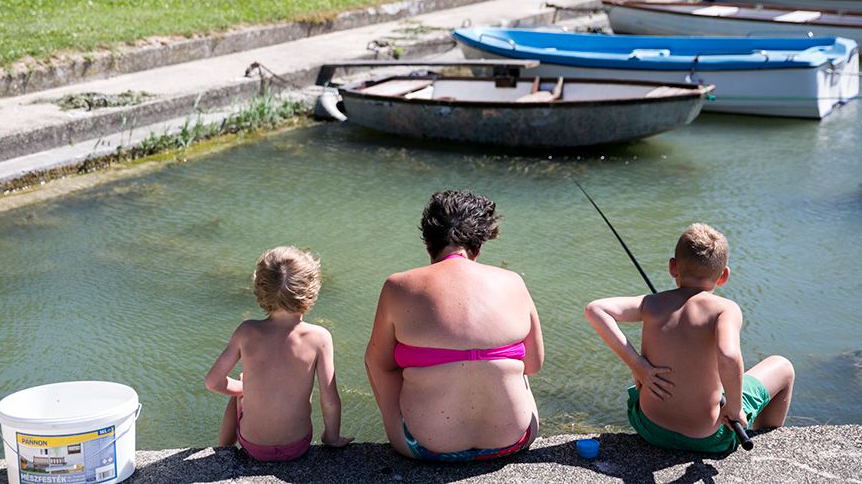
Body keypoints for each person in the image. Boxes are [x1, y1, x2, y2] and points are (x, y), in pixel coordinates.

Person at [365, 190, 544, 461]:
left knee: (380, 362)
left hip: (423, 448)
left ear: (428, 244)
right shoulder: (513, 282)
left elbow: (377, 363)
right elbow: (534, 365)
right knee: (514, 363)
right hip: (513, 441)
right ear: (478, 247)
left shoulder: (398, 286)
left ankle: (408, 426)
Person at [584, 223, 794, 454]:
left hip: (649, 426)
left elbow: (595, 309)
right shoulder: (725, 309)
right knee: (783, 367)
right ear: (724, 275)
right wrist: (734, 408)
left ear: (673, 267)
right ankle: (766, 441)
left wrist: (637, 364)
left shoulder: (651, 303)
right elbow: (728, 356)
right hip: (708, 439)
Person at [205, 246, 353, 461]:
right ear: (312, 290)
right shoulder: (320, 338)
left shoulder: (247, 331)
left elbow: (213, 382)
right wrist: (332, 438)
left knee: (240, 388)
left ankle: (224, 450)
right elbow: (329, 400)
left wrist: (244, 388)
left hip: (253, 446)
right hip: (297, 446)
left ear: (261, 288)